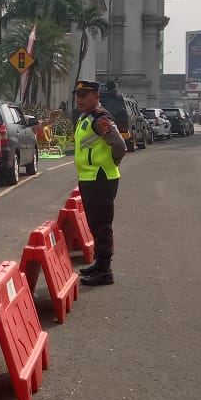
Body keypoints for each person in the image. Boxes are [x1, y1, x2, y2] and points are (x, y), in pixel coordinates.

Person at [72, 80, 127, 287]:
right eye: (78, 95)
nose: (80, 99)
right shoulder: (85, 118)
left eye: (84, 95)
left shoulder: (100, 119)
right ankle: (99, 263)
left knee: (102, 226)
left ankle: (105, 270)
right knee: (95, 225)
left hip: (101, 178)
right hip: (90, 177)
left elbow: (119, 146)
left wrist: (113, 162)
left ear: (96, 96)